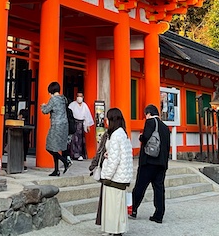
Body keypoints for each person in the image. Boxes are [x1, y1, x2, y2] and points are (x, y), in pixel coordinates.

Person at [130, 104, 171, 223]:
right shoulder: (165, 127)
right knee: (159, 188)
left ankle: (133, 210)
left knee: (140, 187)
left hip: (149, 162)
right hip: (161, 163)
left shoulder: (150, 122)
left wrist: (141, 137)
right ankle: (159, 215)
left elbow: (146, 137)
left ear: (148, 114)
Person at [98, 107, 133, 236]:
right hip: (122, 175)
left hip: (115, 176)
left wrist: (106, 175)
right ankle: (118, 229)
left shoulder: (115, 135)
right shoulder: (123, 133)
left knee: (112, 206)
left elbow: (114, 159)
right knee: (118, 205)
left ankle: (114, 230)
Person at [41, 81, 71, 176]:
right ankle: (56, 170)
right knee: (56, 148)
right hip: (64, 125)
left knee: (49, 147)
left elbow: (46, 110)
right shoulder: (64, 99)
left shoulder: (53, 99)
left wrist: (42, 106)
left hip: (56, 125)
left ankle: (65, 161)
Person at [68, 92, 94, 160]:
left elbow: (87, 116)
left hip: (81, 124)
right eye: (78, 96)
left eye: (81, 96)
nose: (79, 98)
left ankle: (80, 154)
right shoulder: (72, 105)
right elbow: (69, 115)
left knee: (80, 140)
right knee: (74, 140)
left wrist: (88, 125)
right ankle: (73, 154)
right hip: (74, 123)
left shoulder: (84, 105)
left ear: (83, 97)